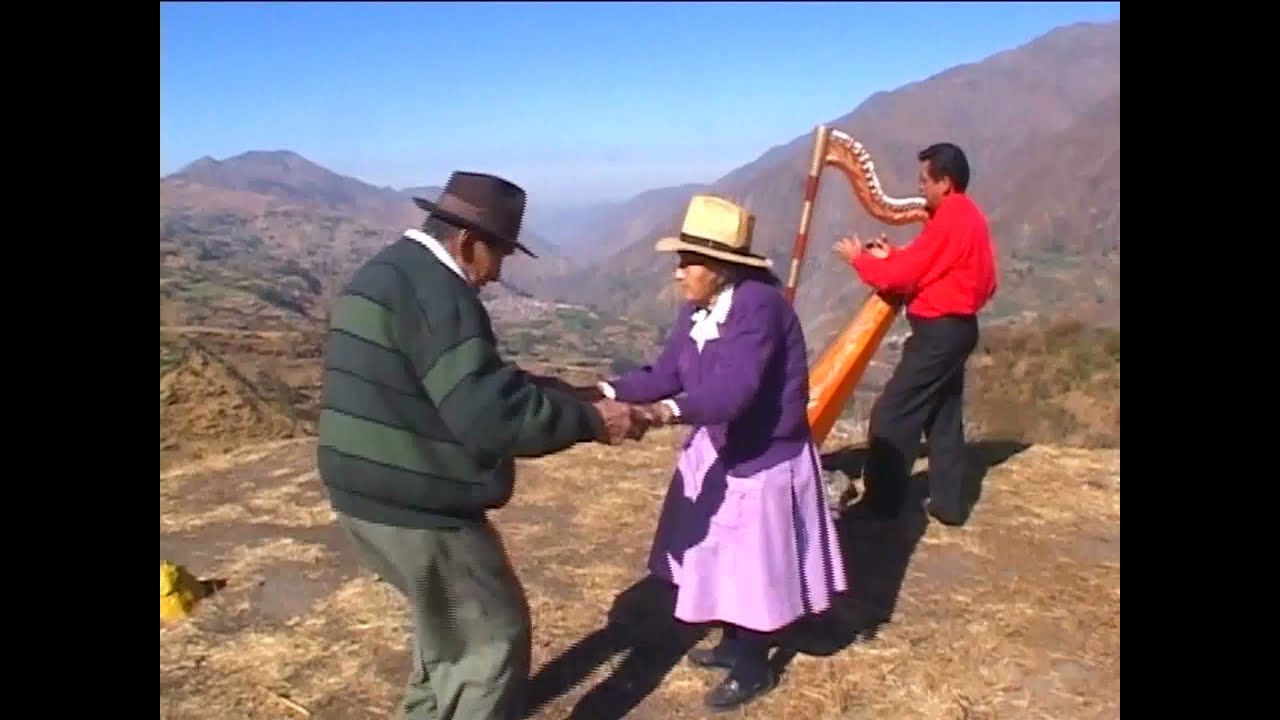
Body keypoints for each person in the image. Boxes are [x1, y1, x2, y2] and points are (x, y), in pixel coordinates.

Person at [315, 171, 646, 720]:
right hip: (416, 506)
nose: (496, 276)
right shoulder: (440, 292)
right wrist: (592, 422)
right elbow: (493, 417)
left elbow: (452, 382)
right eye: (501, 257)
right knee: (491, 639)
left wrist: (552, 391)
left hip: (363, 494)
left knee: (446, 629)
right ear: (468, 244)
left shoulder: (393, 272)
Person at [593, 194, 848, 712]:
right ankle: (734, 642)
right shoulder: (699, 309)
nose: (678, 273)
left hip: (764, 455)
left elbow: (734, 393)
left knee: (754, 566)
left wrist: (659, 414)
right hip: (725, 447)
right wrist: (607, 392)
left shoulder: (759, 308)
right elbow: (668, 372)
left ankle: (754, 665)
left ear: (720, 267)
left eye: (688, 262)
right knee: (720, 553)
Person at [832, 142, 998, 526]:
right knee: (942, 418)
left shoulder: (952, 218)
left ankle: (882, 504)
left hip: (938, 334)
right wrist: (894, 257)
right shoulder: (966, 217)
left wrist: (859, 259)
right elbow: (946, 270)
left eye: (925, 180)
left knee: (891, 415)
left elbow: (903, 276)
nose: (919, 187)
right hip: (958, 329)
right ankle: (948, 505)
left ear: (945, 182)